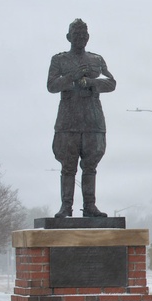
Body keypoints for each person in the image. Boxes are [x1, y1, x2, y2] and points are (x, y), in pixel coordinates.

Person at [47, 19, 116, 217]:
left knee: (90, 165)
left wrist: (92, 82)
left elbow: (111, 83)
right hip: (68, 120)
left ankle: (90, 206)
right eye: (76, 35)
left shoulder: (97, 60)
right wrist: (72, 76)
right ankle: (66, 206)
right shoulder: (59, 60)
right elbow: (51, 86)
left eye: (83, 35)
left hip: (92, 119)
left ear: (88, 37)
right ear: (69, 37)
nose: (80, 38)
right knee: (68, 166)